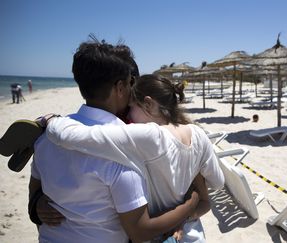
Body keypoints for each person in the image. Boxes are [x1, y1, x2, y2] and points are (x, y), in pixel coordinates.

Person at [29, 40, 200, 243]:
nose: (132, 91)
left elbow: (35, 188)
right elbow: (139, 232)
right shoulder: (125, 150)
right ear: (120, 87)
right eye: (130, 84)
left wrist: (36, 203)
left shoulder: (45, 138)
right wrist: (191, 205)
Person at [43, 74, 225, 242]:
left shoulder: (151, 137)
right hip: (193, 235)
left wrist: (51, 121)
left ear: (148, 104)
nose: (128, 115)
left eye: (131, 106)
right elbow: (218, 183)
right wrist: (188, 205)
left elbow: (78, 137)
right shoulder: (198, 134)